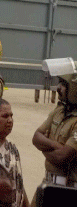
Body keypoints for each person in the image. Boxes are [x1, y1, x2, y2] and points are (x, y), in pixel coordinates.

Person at [32, 65, 77, 198]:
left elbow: (62, 157)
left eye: (63, 84)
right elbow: (36, 137)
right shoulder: (59, 111)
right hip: (48, 182)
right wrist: (56, 147)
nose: (58, 88)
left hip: (68, 189)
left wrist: (43, 147)